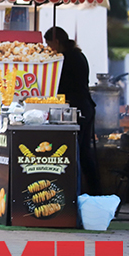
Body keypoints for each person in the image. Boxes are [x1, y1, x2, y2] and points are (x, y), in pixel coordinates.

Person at [45, 27, 101, 194]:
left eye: (48, 44)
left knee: (81, 153)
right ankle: (93, 192)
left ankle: (89, 192)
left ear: (56, 42)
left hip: (79, 108)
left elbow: (60, 85)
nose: (48, 48)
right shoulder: (77, 55)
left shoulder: (67, 59)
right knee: (84, 152)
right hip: (85, 106)